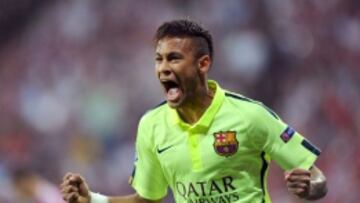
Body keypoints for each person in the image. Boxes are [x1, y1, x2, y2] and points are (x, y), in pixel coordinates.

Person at [60, 19, 327, 203]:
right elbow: (147, 199)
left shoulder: (250, 116)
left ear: (203, 63)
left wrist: (309, 188)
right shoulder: (151, 126)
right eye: (159, 59)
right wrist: (92, 199)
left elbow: (317, 178)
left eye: (174, 58)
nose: (163, 68)